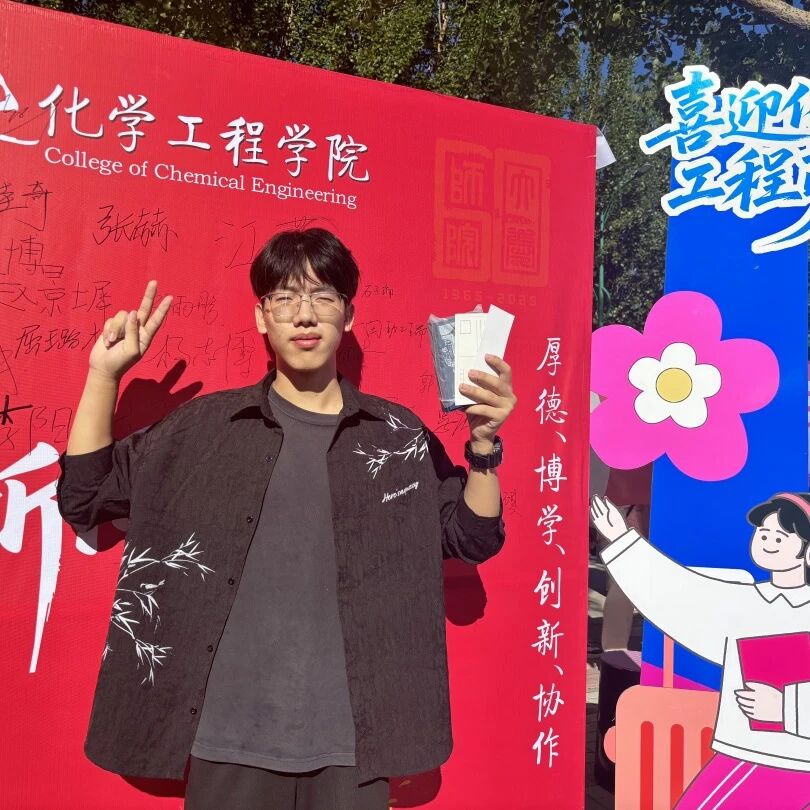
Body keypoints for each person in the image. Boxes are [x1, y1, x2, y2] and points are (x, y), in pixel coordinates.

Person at [56, 227, 515, 810]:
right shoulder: (203, 429)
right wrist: (104, 376)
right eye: (285, 298)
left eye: (323, 296)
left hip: (357, 741)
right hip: (226, 736)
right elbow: (85, 497)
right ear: (261, 317)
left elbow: (471, 538)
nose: (304, 314)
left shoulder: (396, 435)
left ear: (348, 315)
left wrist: (483, 445)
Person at [590, 492, 810, 808]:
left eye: (781, 536)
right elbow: (677, 596)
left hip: (787, 757)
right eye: (763, 532)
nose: (768, 541)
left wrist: (788, 709)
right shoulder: (746, 600)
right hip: (744, 750)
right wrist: (622, 539)